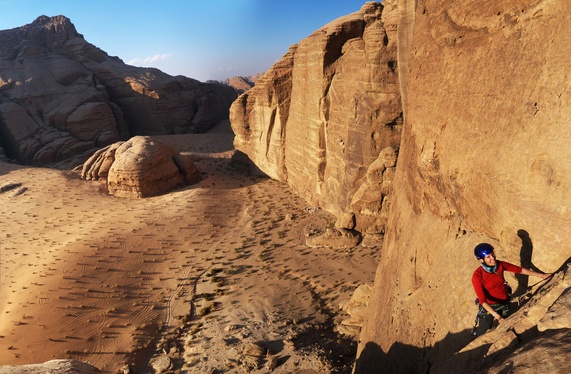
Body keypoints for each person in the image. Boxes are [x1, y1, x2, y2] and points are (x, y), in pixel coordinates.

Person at [471, 242, 550, 336]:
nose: (493, 258)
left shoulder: (500, 265)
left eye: (492, 254)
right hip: (490, 306)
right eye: (488, 257)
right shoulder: (477, 276)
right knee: (483, 333)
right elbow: (482, 301)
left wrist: (541, 275)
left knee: (505, 331)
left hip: (504, 303)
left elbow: (519, 270)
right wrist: (496, 315)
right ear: (481, 260)